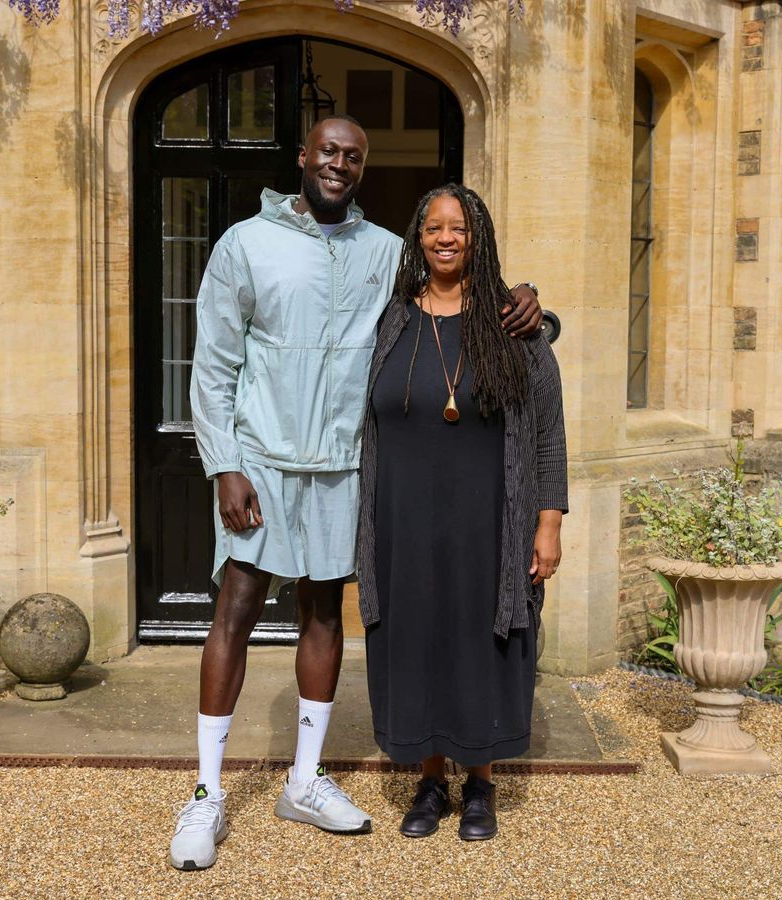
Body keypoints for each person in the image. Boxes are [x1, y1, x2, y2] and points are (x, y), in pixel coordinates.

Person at [170, 115, 543, 871]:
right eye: (328, 152)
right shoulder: (245, 243)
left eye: (353, 157)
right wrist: (224, 465)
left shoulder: (385, 253)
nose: (338, 164)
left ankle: (304, 781)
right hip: (262, 460)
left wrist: (531, 304)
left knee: (323, 616)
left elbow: (452, 297)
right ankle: (206, 794)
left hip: (345, 468)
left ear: (362, 169)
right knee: (235, 608)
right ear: (303, 157)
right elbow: (213, 364)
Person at [356, 184, 567, 841]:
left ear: (478, 238)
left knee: (480, 644)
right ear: (417, 238)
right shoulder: (393, 319)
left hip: (488, 523)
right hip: (404, 523)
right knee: (417, 639)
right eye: (433, 227)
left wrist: (548, 523)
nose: (446, 238)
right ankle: (428, 781)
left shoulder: (513, 323)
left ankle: (479, 783)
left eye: (459, 228)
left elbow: (549, 430)